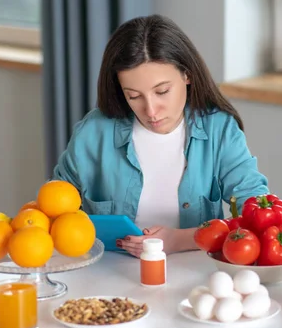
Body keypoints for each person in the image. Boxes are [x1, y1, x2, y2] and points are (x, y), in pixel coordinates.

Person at [52, 15, 269, 258]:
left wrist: (179, 239)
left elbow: (257, 217)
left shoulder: (220, 130)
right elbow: (55, 210)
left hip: (193, 275)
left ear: (187, 75)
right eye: (134, 96)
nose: (151, 111)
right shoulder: (94, 132)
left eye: (162, 91)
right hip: (107, 275)